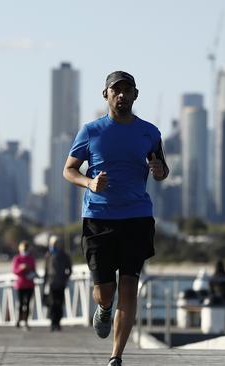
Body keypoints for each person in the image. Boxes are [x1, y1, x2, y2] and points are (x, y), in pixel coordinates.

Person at [63, 71, 169, 366]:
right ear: (106, 95)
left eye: (127, 90)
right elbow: (68, 170)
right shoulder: (90, 131)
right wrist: (89, 183)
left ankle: (116, 356)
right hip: (99, 217)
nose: (121, 95)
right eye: (116, 90)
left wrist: (159, 172)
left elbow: (162, 170)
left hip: (137, 217)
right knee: (104, 292)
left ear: (136, 95)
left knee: (130, 285)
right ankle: (104, 308)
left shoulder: (150, 132)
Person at [43, 235, 72, 331]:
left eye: (56, 243)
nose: (54, 245)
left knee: (59, 303)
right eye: (53, 243)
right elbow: (46, 271)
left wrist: (65, 278)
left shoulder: (64, 255)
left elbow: (69, 269)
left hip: (61, 283)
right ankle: (52, 322)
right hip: (51, 283)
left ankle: (58, 323)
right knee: (52, 303)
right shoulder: (48, 255)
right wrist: (45, 282)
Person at [12, 240, 36, 330]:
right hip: (20, 284)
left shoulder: (31, 258)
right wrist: (21, 268)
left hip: (29, 284)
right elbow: (14, 271)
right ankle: (19, 320)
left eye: (26, 248)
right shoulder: (17, 258)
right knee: (21, 304)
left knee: (28, 304)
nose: (25, 249)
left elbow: (34, 270)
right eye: (23, 248)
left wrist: (31, 271)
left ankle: (26, 321)